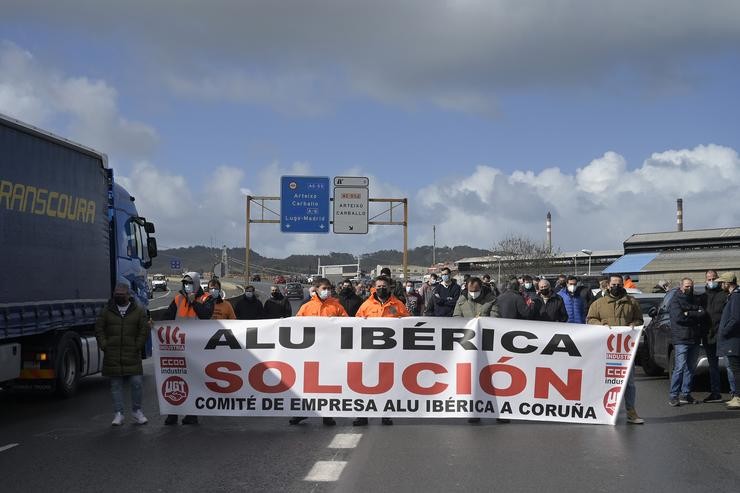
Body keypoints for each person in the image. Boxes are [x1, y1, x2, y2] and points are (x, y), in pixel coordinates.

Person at [587, 274, 645, 424]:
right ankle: (600, 411)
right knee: (604, 381)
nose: (616, 286)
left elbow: (639, 319)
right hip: (605, 350)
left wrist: (634, 323)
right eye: (613, 284)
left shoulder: (632, 302)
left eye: (619, 284)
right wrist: (601, 326)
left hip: (625, 351)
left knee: (629, 382)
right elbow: (590, 319)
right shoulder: (599, 303)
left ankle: (631, 411)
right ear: (608, 285)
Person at [290, 278, 348, 427]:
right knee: (307, 385)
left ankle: (327, 415)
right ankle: (302, 413)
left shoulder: (337, 306)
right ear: (315, 288)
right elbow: (296, 326)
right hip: (311, 353)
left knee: (327, 384)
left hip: (330, 352)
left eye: (329, 288)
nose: (327, 291)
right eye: (324, 288)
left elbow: (348, 324)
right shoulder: (306, 307)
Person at [354, 276, 409, 426]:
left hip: (389, 353)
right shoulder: (366, 305)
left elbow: (407, 325)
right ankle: (362, 415)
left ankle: (386, 414)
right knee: (364, 383)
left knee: (387, 384)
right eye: (378, 286)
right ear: (374, 287)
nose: (381, 289)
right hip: (369, 352)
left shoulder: (398, 305)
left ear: (390, 287)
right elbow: (355, 324)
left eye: (384, 286)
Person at [163, 272, 215, 425]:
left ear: (197, 284)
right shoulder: (178, 298)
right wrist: (155, 325)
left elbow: (206, 315)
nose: (187, 286)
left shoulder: (206, 298)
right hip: (178, 347)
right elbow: (168, 316)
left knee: (193, 381)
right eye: (185, 283)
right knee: (174, 381)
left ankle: (192, 414)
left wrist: (194, 302)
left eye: (190, 283)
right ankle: (173, 414)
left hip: (196, 348)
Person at [95, 282, 149, 426]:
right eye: (116, 294)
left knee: (137, 383)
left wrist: (138, 346)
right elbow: (99, 328)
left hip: (132, 353)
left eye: (121, 294)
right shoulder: (107, 311)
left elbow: (143, 330)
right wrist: (104, 345)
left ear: (128, 295)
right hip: (113, 354)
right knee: (115, 385)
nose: (118, 297)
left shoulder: (138, 310)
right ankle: (119, 413)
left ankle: (137, 411)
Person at [698, 270, 735, 403]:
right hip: (708, 336)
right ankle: (715, 393)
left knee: (730, 366)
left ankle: (735, 394)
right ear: (705, 280)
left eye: (714, 278)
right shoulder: (702, 297)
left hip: (724, 335)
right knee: (713, 367)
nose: (711, 281)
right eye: (709, 279)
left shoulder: (725, 295)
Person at [667, 278, 705, 406]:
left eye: (691, 286)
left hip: (694, 338)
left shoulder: (695, 298)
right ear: (681, 286)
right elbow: (679, 318)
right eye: (687, 286)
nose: (689, 288)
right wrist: (694, 314)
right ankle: (673, 395)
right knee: (679, 368)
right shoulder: (675, 300)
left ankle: (686, 394)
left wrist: (689, 313)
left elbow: (702, 313)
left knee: (690, 368)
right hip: (681, 339)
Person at [717, 272, 740, 409]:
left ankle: (738, 397)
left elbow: (736, 318)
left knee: (736, 370)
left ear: (728, 283)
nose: (720, 285)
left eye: (722, 282)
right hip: (733, 339)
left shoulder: (736, 296)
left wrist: (724, 331)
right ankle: (736, 396)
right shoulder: (733, 296)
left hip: (733, 340)